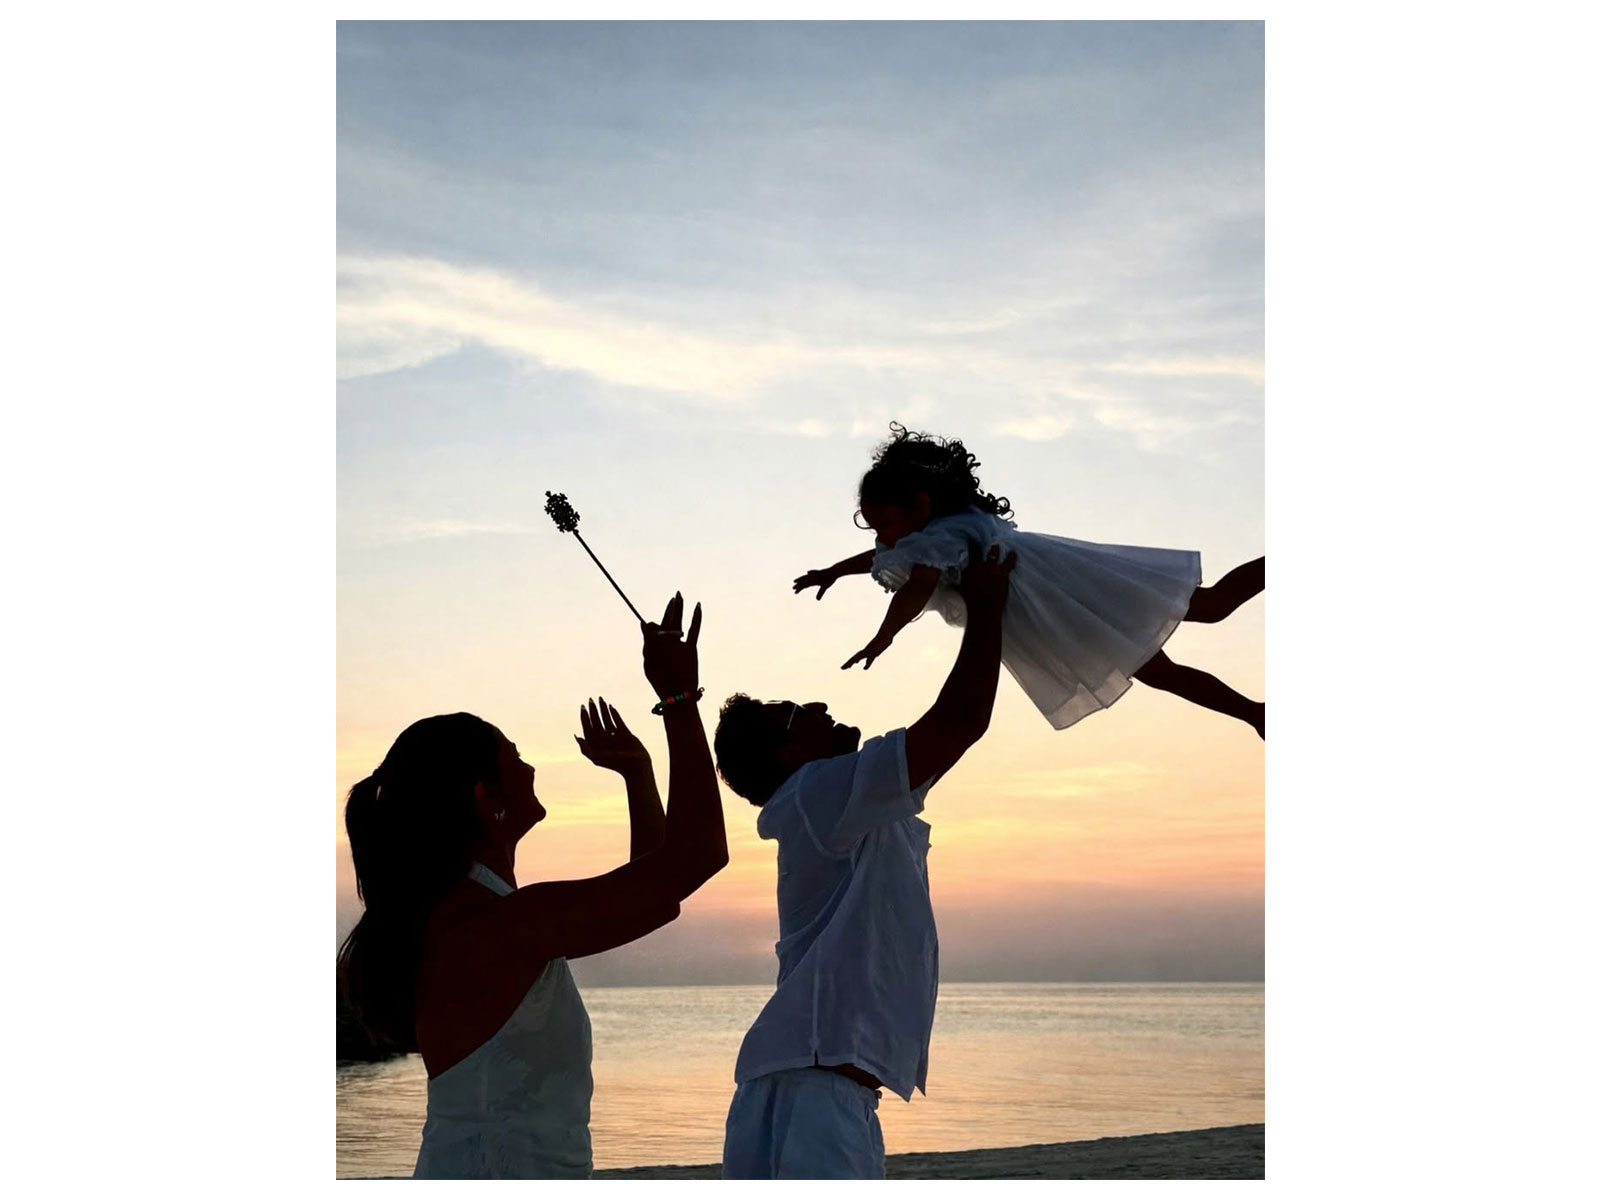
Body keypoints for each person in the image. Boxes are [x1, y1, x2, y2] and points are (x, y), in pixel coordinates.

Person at [336, 593, 726, 1179]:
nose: (532, 767)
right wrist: (677, 700)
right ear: (482, 797)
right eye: (515, 757)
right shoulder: (497, 926)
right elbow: (695, 858)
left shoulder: (490, 916)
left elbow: (654, 897)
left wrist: (638, 774)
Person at [713, 545, 1017, 1179]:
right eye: (799, 716)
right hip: (815, 1088)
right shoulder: (818, 793)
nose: (821, 708)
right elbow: (958, 723)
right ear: (788, 757)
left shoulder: (833, 806)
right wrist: (988, 609)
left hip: (804, 1079)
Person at [794, 423, 1265, 737]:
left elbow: (915, 589)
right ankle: (1257, 715)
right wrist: (833, 571)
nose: (880, 537)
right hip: (1062, 599)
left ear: (917, 504)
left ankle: (1256, 713)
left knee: (1205, 613)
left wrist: (883, 637)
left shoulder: (940, 538)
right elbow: (883, 556)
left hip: (1065, 597)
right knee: (1183, 642)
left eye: (881, 524)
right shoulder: (944, 526)